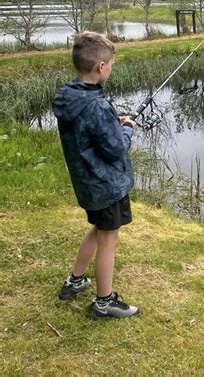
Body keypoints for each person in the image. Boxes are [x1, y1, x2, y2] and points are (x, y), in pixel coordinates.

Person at [52, 31, 139, 319]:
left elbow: (87, 130)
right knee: (108, 241)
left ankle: (75, 281)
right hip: (105, 186)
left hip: (88, 185)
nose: (111, 69)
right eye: (111, 64)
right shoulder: (97, 105)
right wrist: (128, 128)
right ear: (101, 67)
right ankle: (104, 302)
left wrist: (115, 121)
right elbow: (116, 150)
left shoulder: (70, 95)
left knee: (98, 230)